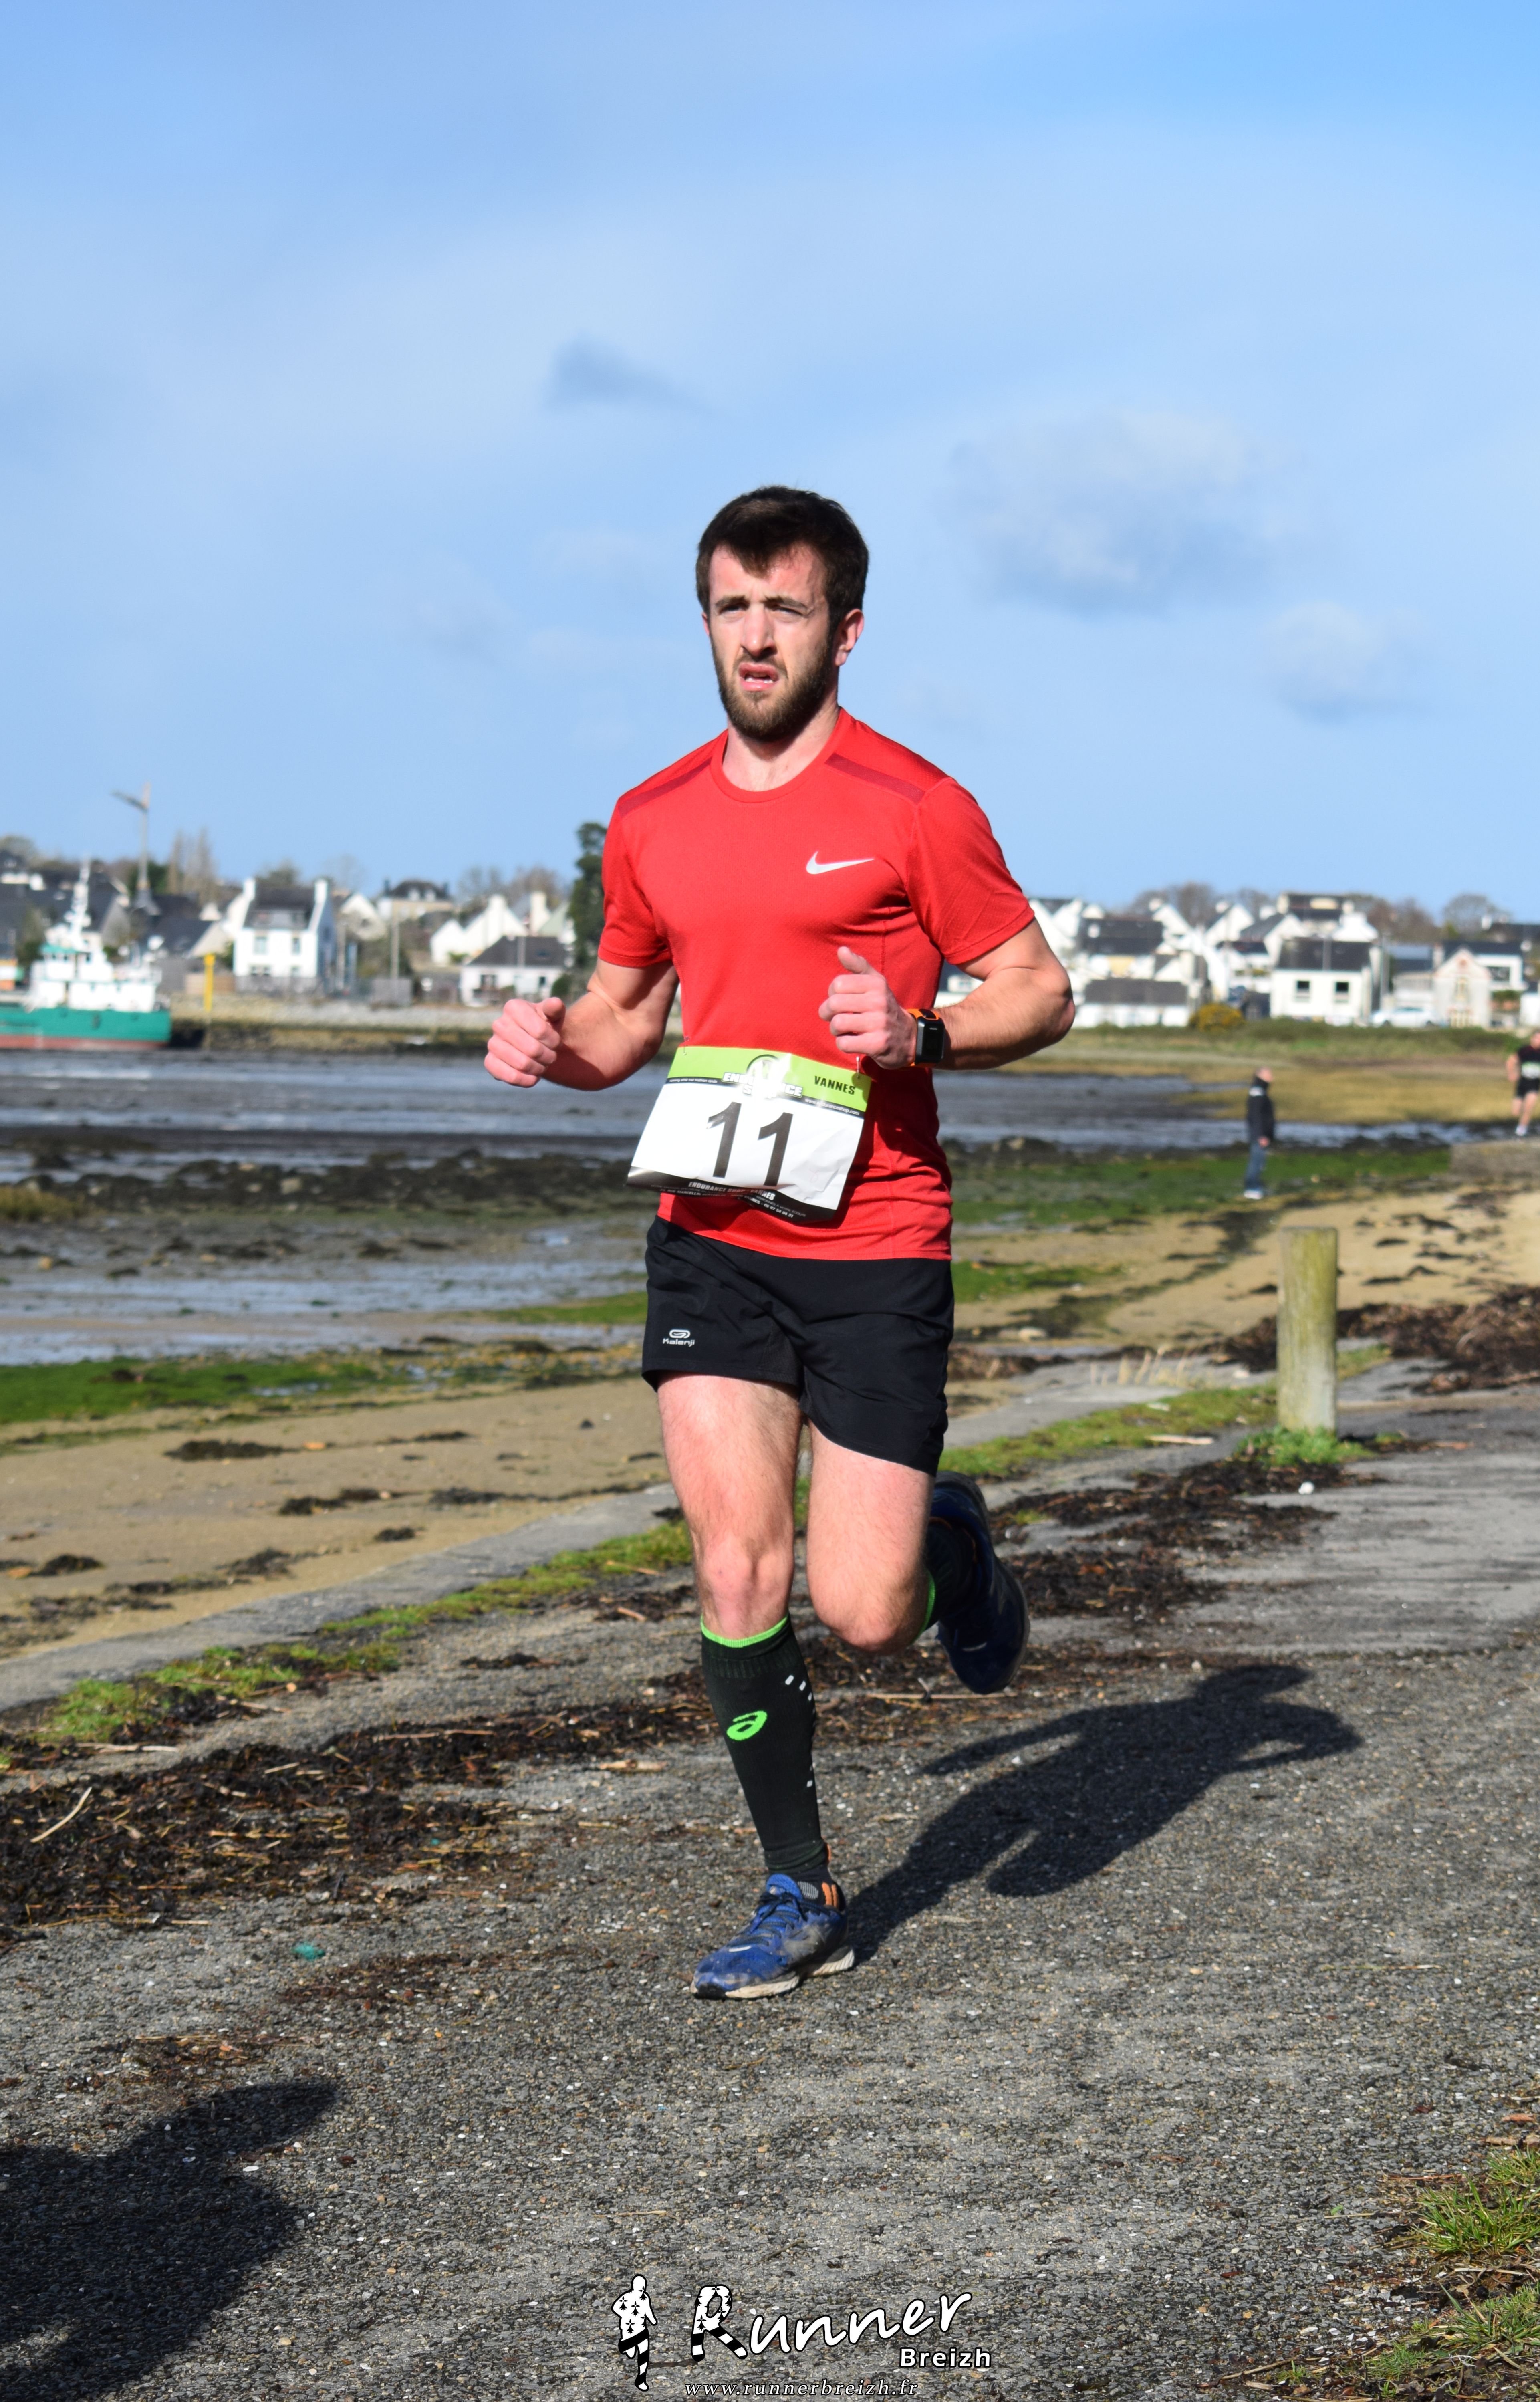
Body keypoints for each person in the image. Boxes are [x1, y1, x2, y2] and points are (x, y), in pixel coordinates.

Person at [485, 486, 1073, 1999]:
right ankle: (796, 1887)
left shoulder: (913, 806)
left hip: (874, 1240)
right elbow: (623, 1017)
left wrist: (921, 1030)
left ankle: (952, 1545)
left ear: (843, 631)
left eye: (784, 610)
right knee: (735, 1568)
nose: (754, 637)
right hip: (712, 1234)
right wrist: (554, 1048)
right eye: (731, 608)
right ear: (705, 620)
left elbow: (1037, 988)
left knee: (864, 1614)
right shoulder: (652, 818)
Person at [612, 2274, 656, 2390]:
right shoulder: (626, 2297)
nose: (642, 2289)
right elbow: (616, 2308)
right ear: (634, 2286)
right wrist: (626, 2315)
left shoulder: (645, 2297)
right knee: (630, 2354)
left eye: (644, 2287)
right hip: (629, 2329)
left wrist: (653, 2320)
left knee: (644, 2354)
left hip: (642, 2329)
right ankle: (623, 2346)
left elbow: (648, 2310)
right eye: (640, 2286)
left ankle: (641, 2380)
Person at [1507, 1029, 1540, 1136]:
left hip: (1535, 1084)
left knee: (1529, 1108)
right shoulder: (1524, 1051)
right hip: (1522, 1083)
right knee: (1515, 1112)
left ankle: (1521, 1132)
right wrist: (1511, 1073)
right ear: (1533, 1038)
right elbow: (1511, 1061)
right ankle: (1515, 1126)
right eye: (1538, 1038)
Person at [1243, 1067, 1275, 1196]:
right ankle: (1251, 1188)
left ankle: (1255, 1187)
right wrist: (1261, 1136)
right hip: (1259, 1136)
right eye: (1269, 1074)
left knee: (1260, 1163)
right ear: (1260, 1075)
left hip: (1262, 1135)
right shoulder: (1257, 1092)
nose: (1272, 1077)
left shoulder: (1262, 1091)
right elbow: (1256, 1116)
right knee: (1256, 1162)